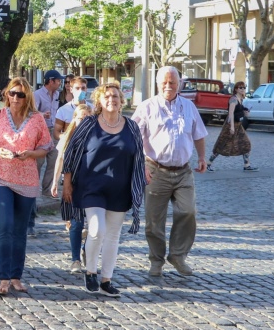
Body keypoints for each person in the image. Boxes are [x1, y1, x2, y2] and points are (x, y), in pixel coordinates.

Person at [62, 82, 146, 296]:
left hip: (120, 188)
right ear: (99, 100)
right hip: (92, 187)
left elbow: (138, 156)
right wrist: (67, 181)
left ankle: (106, 280)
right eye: (107, 96)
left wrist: (141, 177)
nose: (112, 99)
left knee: (113, 235)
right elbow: (71, 152)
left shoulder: (131, 126)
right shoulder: (89, 123)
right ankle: (90, 272)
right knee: (97, 230)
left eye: (116, 96)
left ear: (121, 100)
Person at [0, 77, 53, 296]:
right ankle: (2, 278)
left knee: (20, 231)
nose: (16, 98)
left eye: (20, 94)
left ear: (27, 96)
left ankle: (15, 276)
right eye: (12, 93)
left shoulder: (37, 119)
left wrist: (31, 154)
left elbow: (46, 147)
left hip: (27, 180)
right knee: (6, 225)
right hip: (0, 177)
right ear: (6, 95)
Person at [131, 65, 208, 277]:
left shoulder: (189, 106)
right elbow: (133, 138)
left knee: (188, 212)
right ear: (158, 84)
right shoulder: (146, 107)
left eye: (172, 82)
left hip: (183, 171)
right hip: (155, 170)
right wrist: (140, 166)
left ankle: (178, 255)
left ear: (179, 84)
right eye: (164, 82)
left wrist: (202, 157)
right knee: (154, 221)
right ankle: (156, 260)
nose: (168, 86)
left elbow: (198, 133)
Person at [51, 103, 93, 274]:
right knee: (76, 223)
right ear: (74, 119)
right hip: (72, 184)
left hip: (92, 184)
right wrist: (55, 182)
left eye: (87, 118)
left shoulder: (96, 135)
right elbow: (60, 160)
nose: (83, 120)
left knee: (95, 226)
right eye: (80, 117)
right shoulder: (67, 137)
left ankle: (87, 249)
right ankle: (75, 259)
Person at [28, 69, 62, 236]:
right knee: (38, 163)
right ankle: (33, 187)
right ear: (50, 81)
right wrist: (41, 114)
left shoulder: (57, 95)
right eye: (58, 81)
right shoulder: (37, 94)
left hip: (54, 131)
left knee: (54, 160)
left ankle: (47, 190)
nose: (60, 83)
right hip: (41, 131)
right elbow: (29, 112)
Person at [207, 82, 258, 172]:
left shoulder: (241, 99)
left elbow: (240, 112)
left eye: (244, 87)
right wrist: (232, 127)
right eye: (240, 87)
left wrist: (246, 112)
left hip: (238, 125)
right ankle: (208, 163)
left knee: (246, 143)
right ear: (236, 89)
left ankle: (247, 165)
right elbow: (231, 113)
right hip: (230, 125)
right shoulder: (233, 99)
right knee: (221, 144)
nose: (242, 89)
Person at [54, 76, 91, 140]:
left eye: (83, 88)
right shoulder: (63, 110)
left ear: (86, 89)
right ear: (71, 90)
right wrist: (67, 138)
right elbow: (56, 133)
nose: (80, 91)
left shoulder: (93, 108)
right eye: (77, 88)